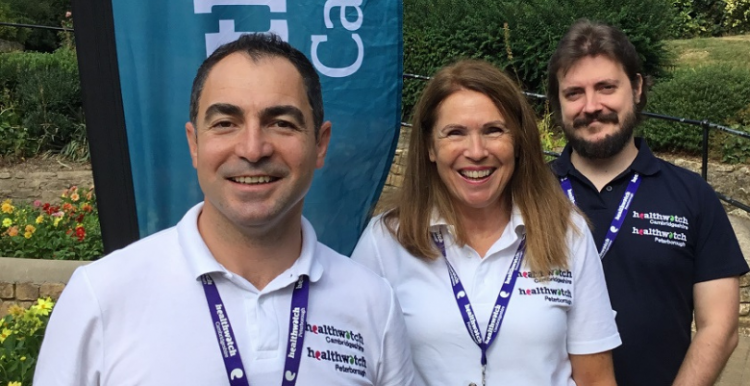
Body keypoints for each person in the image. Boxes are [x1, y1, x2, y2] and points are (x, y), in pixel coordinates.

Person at [34, 33, 414, 386]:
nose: (252, 149)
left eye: (281, 123)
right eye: (225, 123)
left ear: (320, 144)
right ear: (194, 144)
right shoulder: (101, 298)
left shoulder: (372, 304)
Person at [351, 59, 621, 386]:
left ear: (519, 141)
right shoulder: (386, 240)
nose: (476, 152)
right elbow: (355, 372)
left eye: (493, 130)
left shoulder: (567, 233)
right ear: (429, 147)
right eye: (455, 133)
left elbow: (597, 380)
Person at [547, 19, 750, 386]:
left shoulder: (692, 195)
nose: (591, 106)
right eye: (574, 93)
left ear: (637, 88)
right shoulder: (529, 192)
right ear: (558, 102)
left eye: (606, 87)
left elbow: (719, 326)